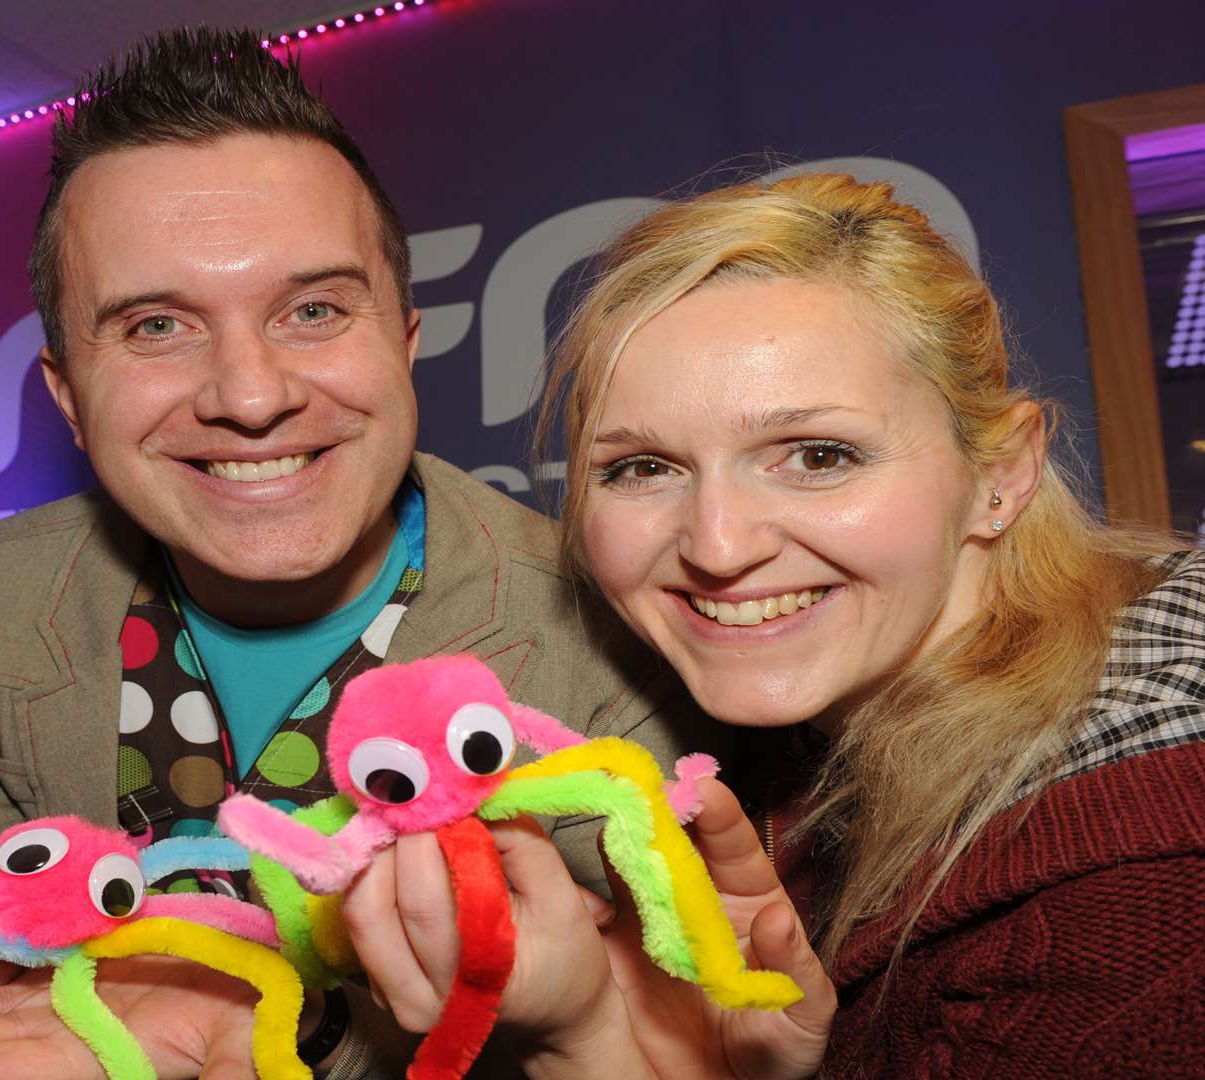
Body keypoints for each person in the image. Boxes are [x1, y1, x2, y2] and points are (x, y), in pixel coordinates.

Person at [0, 26, 715, 1080]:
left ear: (403, 340)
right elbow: (5, 984)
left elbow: (650, 1039)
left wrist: (286, 1026)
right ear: (69, 399)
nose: (252, 395)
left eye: (313, 310)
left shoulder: (618, 648)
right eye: (157, 327)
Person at [338, 171, 1205, 1077]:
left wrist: (582, 1043)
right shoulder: (801, 747)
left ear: (1003, 474)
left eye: (818, 456)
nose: (717, 546)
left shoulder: (1142, 894)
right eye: (642, 468)